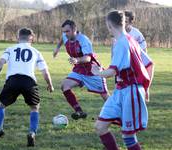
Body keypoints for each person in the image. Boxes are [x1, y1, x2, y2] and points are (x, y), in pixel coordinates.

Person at [91, 10, 154, 150]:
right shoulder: (131, 41)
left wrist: (97, 72)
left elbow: (112, 72)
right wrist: (146, 88)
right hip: (120, 91)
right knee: (100, 127)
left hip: (130, 92)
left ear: (109, 25)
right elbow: (149, 64)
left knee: (128, 137)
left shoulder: (123, 43)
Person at [0, 28, 54, 147]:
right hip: (29, 82)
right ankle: (32, 132)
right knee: (34, 107)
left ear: (18, 37)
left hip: (12, 80)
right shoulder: (36, 52)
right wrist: (50, 84)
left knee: (1, 105)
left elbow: (0, 63)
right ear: (31, 38)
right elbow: (45, 71)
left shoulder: (10, 49)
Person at [53, 20, 109, 120]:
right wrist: (57, 48)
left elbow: (88, 58)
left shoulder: (83, 40)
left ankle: (119, 113)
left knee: (105, 96)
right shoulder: (66, 36)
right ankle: (79, 111)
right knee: (64, 85)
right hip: (79, 69)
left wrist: (76, 60)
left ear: (74, 29)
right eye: (64, 31)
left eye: (67, 31)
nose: (65, 34)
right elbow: (62, 39)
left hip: (92, 70)